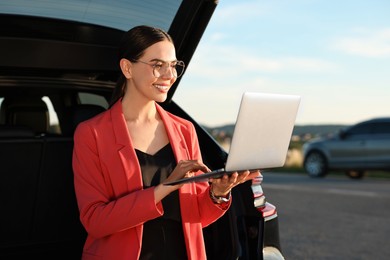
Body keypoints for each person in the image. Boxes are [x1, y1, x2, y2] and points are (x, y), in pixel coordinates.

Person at [72, 25, 260, 260]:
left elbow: (198, 216)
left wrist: (218, 193)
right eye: (158, 65)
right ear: (127, 68)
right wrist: (165, 187)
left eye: (173, 66)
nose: (169, 75)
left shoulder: (184, 129)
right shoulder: (92, 134)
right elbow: (95, 221)